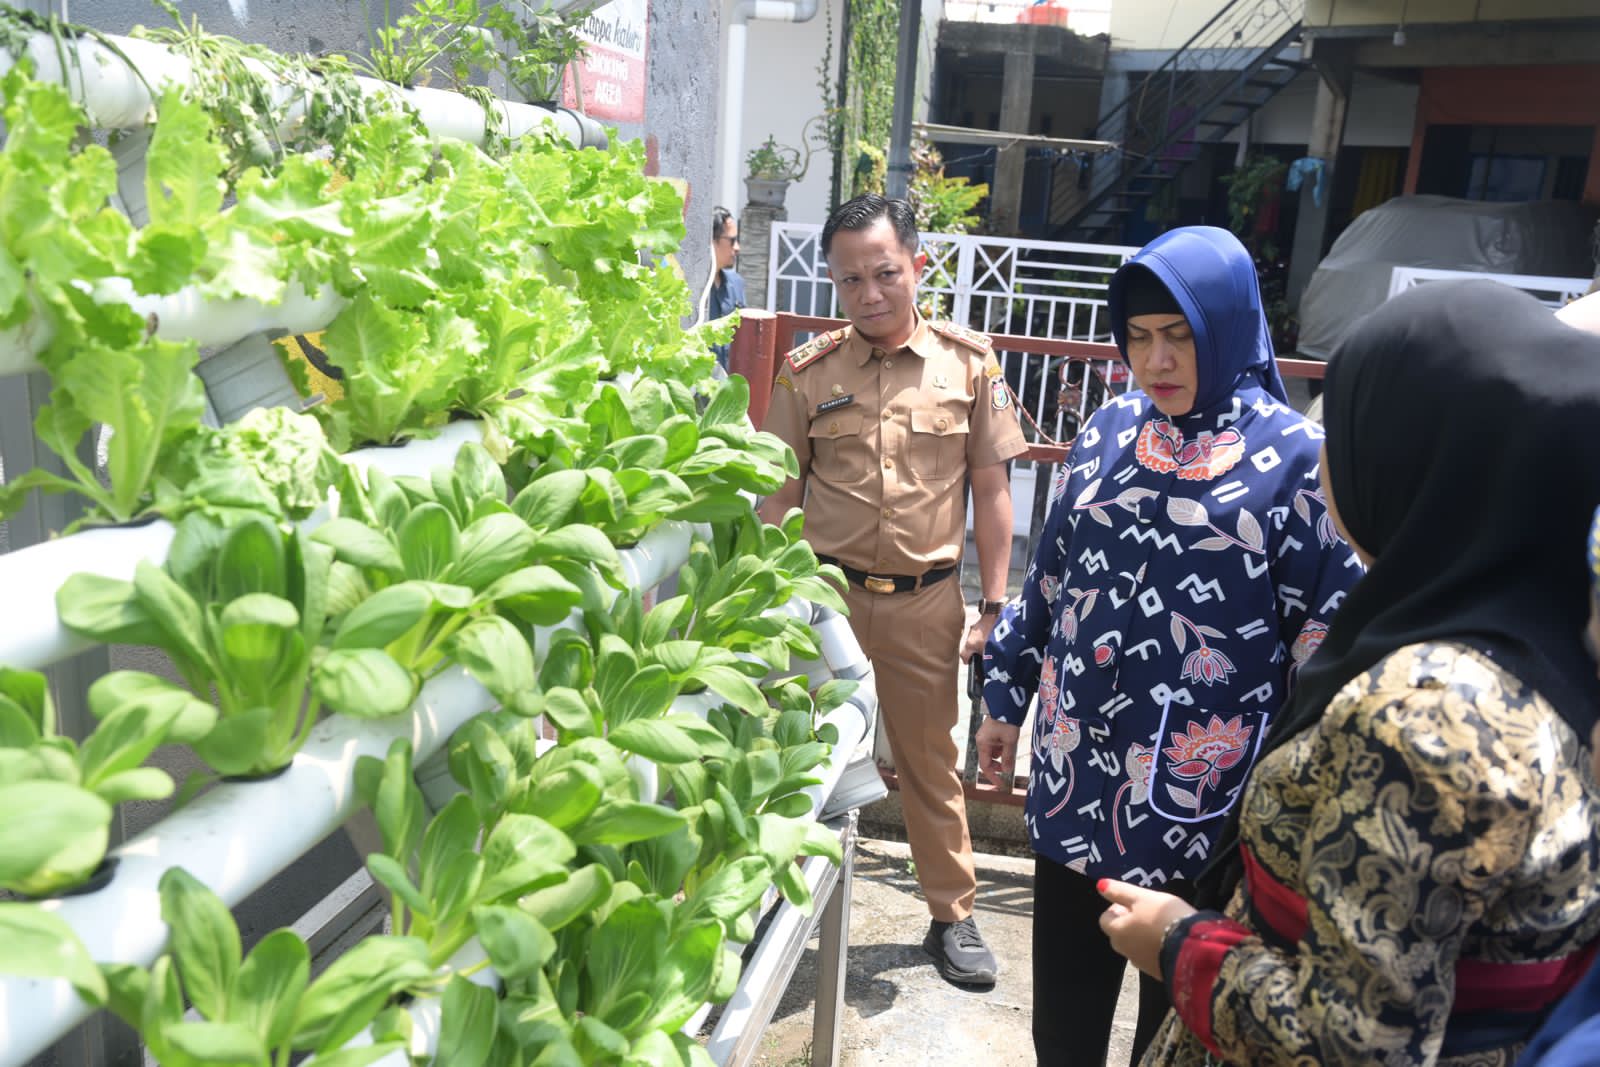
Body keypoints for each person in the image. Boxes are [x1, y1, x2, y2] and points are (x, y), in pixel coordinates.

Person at [1098, 280, 1600, 1067]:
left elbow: (1357, 1044)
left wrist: (1179, 942)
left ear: (1412, 464)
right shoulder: (1549, 636)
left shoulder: (1429, 714)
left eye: (1343, 431)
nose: (1323, 457)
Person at [977, 225, 1362, 1066]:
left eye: (1180, 335)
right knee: (1062, 1030)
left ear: (1228, 328)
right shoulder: (1108, 430)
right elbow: (1051, 576)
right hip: (1076, 785)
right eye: (1140, 336)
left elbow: (1326, 647)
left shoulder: (1298, 463)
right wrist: (1005, 695)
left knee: (1181, 1036)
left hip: (1203, 809)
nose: (1156, 360)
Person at [758, 193, 1027, 986]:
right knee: (797, 753)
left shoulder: (968, 365)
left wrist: (994, 605)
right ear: (833, 282)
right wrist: (770, 594)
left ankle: (952, 914)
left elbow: (992, 489)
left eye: (884, 273)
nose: (869, 293)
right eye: (850, 280)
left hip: (925, 601)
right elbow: (777, 496)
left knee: (930, 762)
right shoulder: (807, 372)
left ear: (917, 265)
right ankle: (767, 901)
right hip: (823, 602)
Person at [706, 206, 746, 369]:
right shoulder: (695, 285)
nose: (737, 247)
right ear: (712, 241)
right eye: (731, 241)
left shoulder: (736, 283)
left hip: (729, 379)